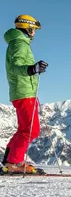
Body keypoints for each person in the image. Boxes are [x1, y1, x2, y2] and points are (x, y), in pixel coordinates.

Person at [2, 15, 48, 174]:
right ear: (27, 28)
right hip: (24, 92)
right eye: (33, 29)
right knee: (31, 130)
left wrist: (33, 69)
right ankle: (14, 163)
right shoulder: (20, 44)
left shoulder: (18, 43)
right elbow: (16, 66)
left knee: (24, 129)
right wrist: (31, 69)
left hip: (23, 91)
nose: (34, 33)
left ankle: (10, 160)